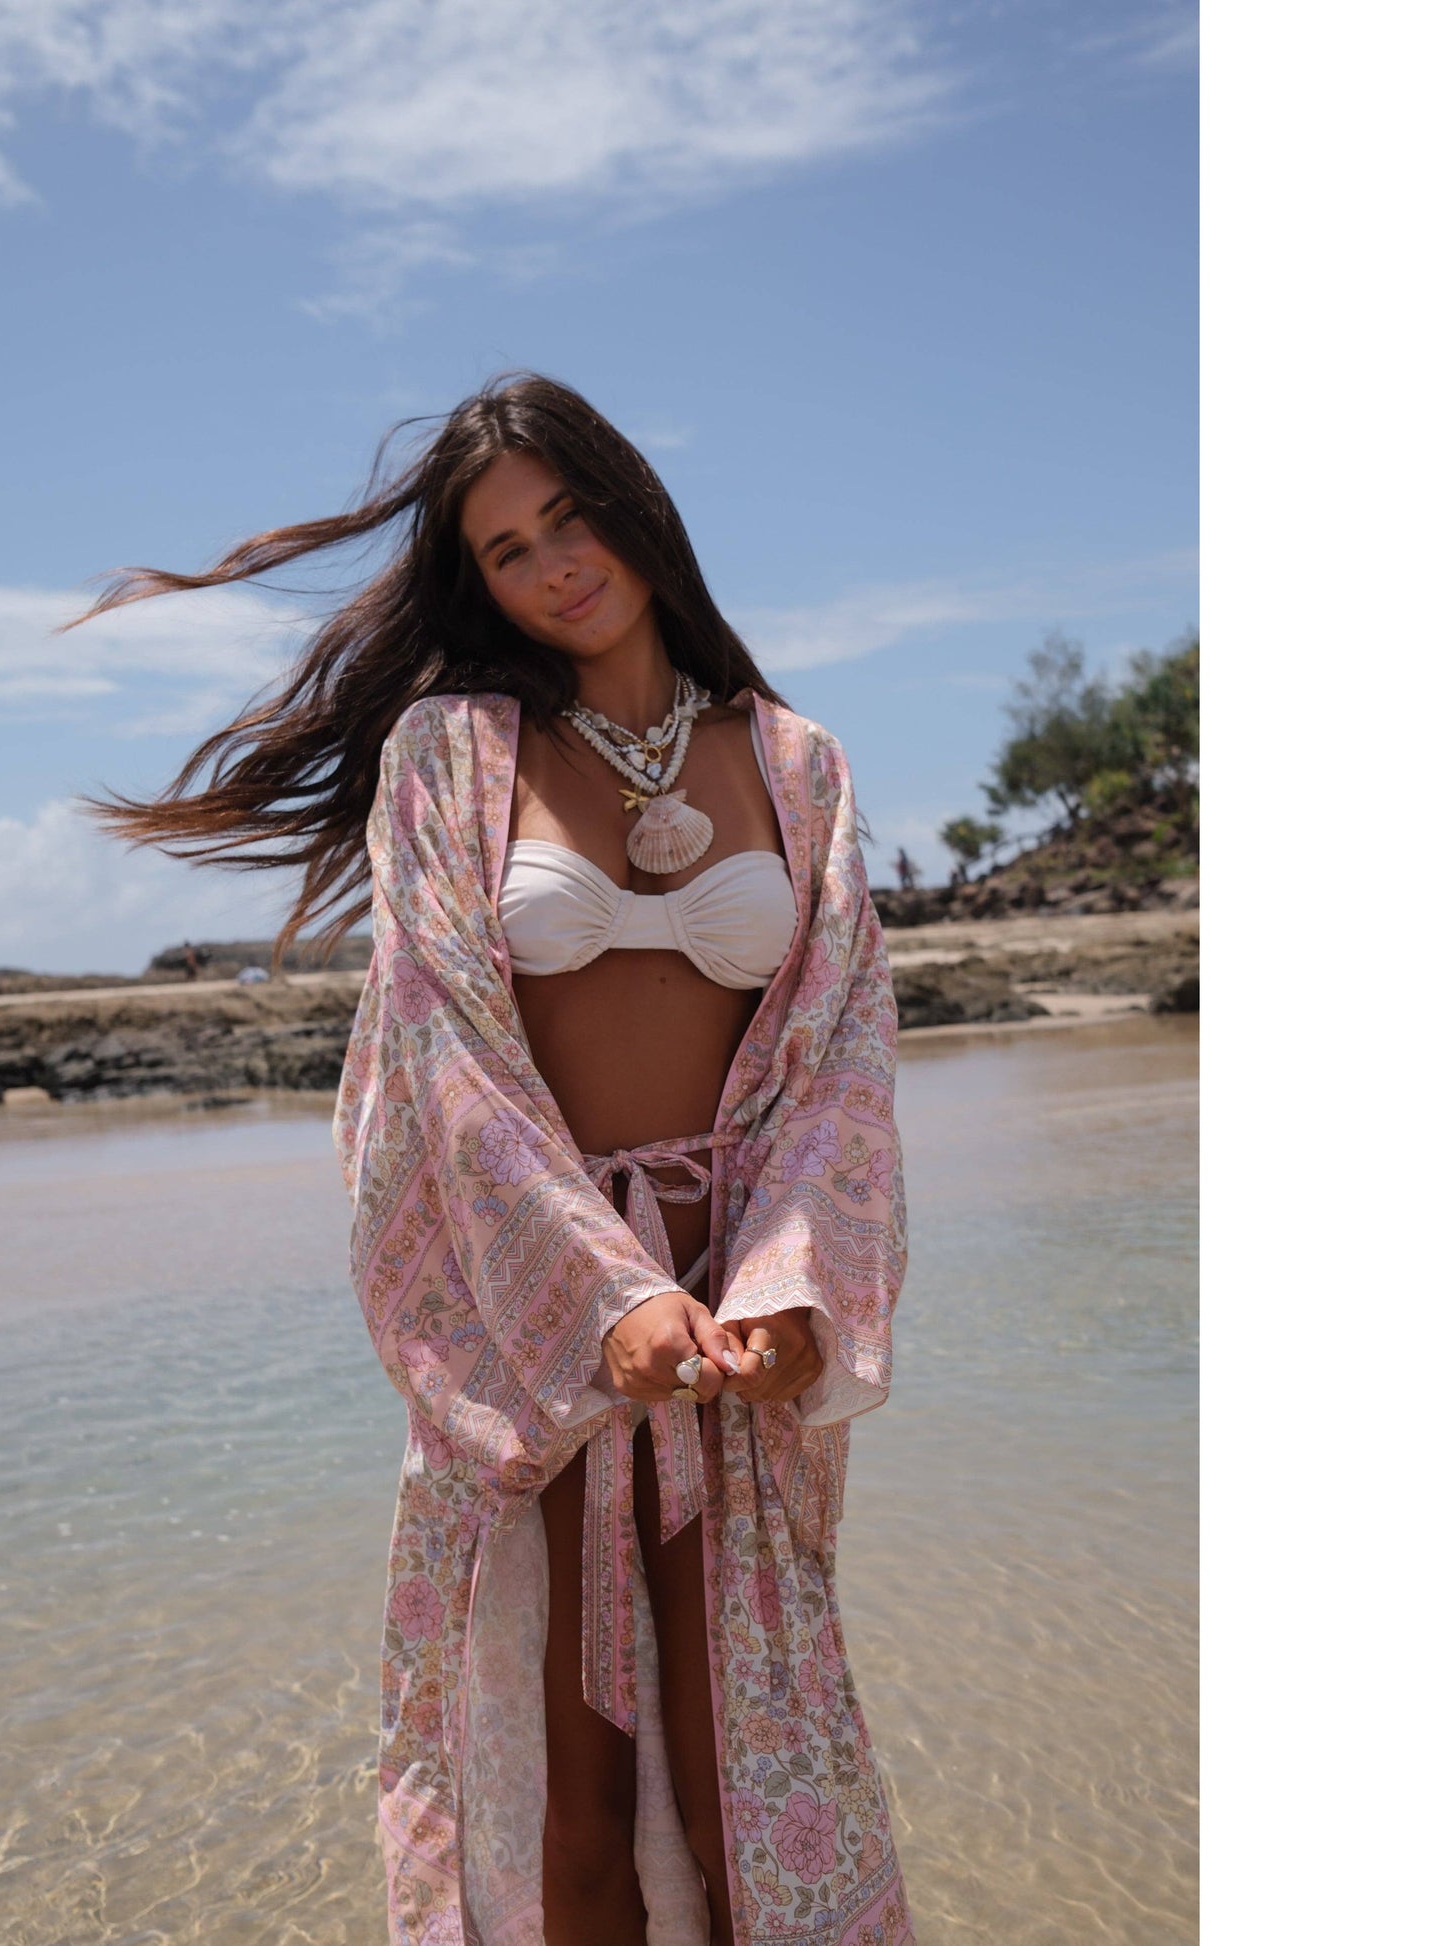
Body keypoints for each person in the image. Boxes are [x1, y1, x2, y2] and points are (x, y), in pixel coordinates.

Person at [77, 374, 913, 1946]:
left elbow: (843, 1059)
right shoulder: (451, 755)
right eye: (508, 549)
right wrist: (604, 1299)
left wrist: (792, 1289)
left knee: (750, 1788)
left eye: (569, 517)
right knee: (565, 1813)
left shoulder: (795, 762)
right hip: (536, 1328)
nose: (553, 566)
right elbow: (440, 1048)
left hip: (733, 1321)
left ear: (635, 507)